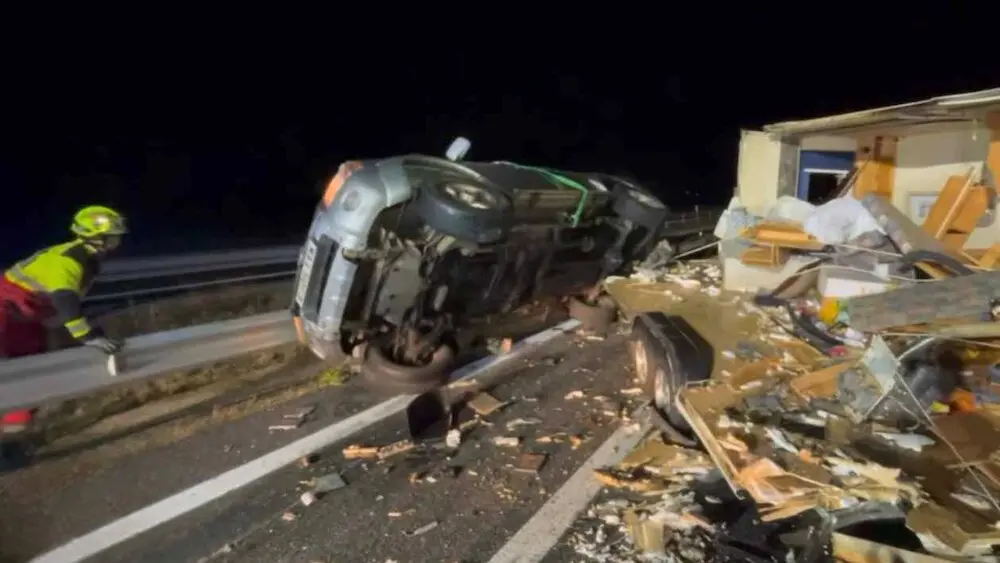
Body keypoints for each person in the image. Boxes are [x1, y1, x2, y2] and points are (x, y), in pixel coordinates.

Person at [0, 205, 127, 466]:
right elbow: (64, 299)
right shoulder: (69, 259)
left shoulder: (88, 262)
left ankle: (9, 446)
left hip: (25, 320)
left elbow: (67, 306)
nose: (117, 242)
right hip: (5, 312)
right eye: (112, 237)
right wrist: (87, 336)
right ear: (96, 237)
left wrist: (87, 329)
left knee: (31, 379)